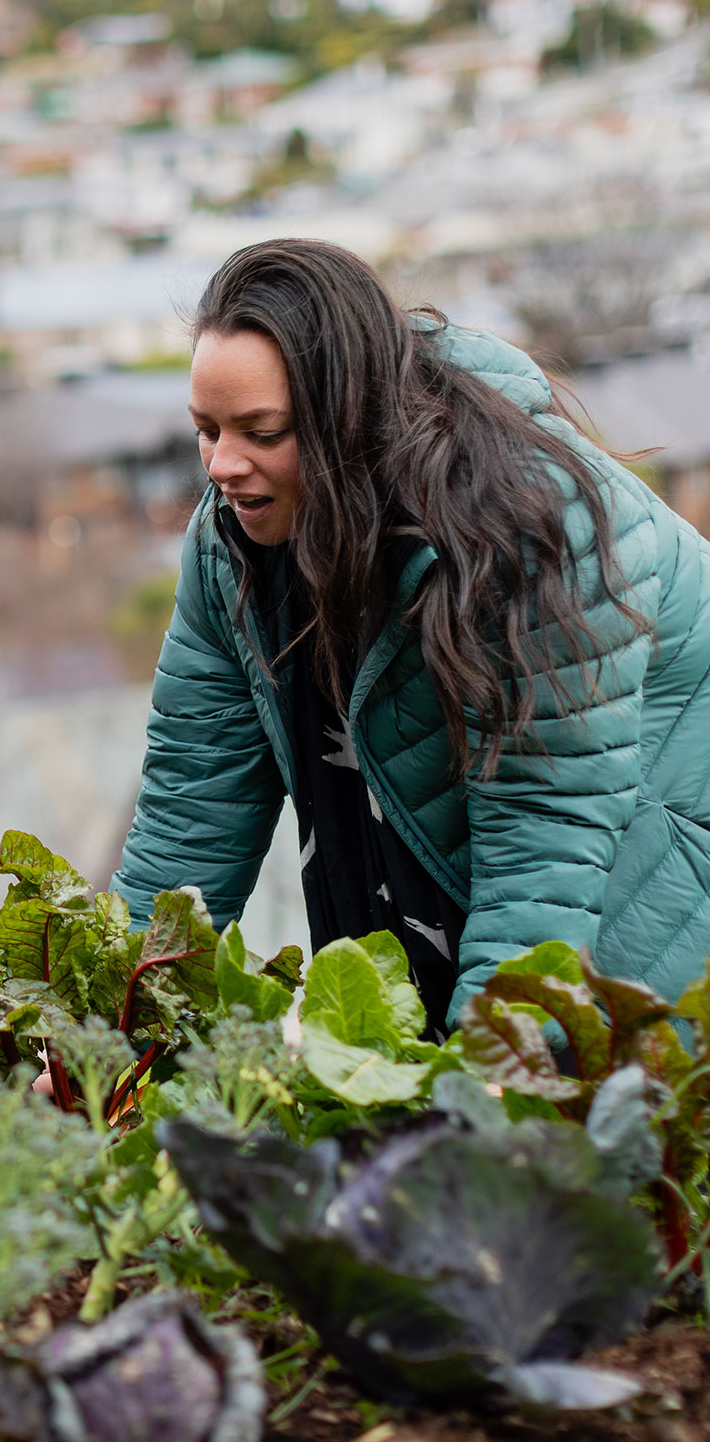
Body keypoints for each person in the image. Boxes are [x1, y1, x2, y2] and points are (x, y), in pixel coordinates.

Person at [113, 238, 710, 1035]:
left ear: (345, 415)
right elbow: (191, 809)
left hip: (651, 911)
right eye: (206, 430)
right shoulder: (231, 550)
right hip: (484, 907)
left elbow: (546, 848)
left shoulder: (533, 527)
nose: (221, 465)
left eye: (261, 432)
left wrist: (493, 1077)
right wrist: (94, 1028)